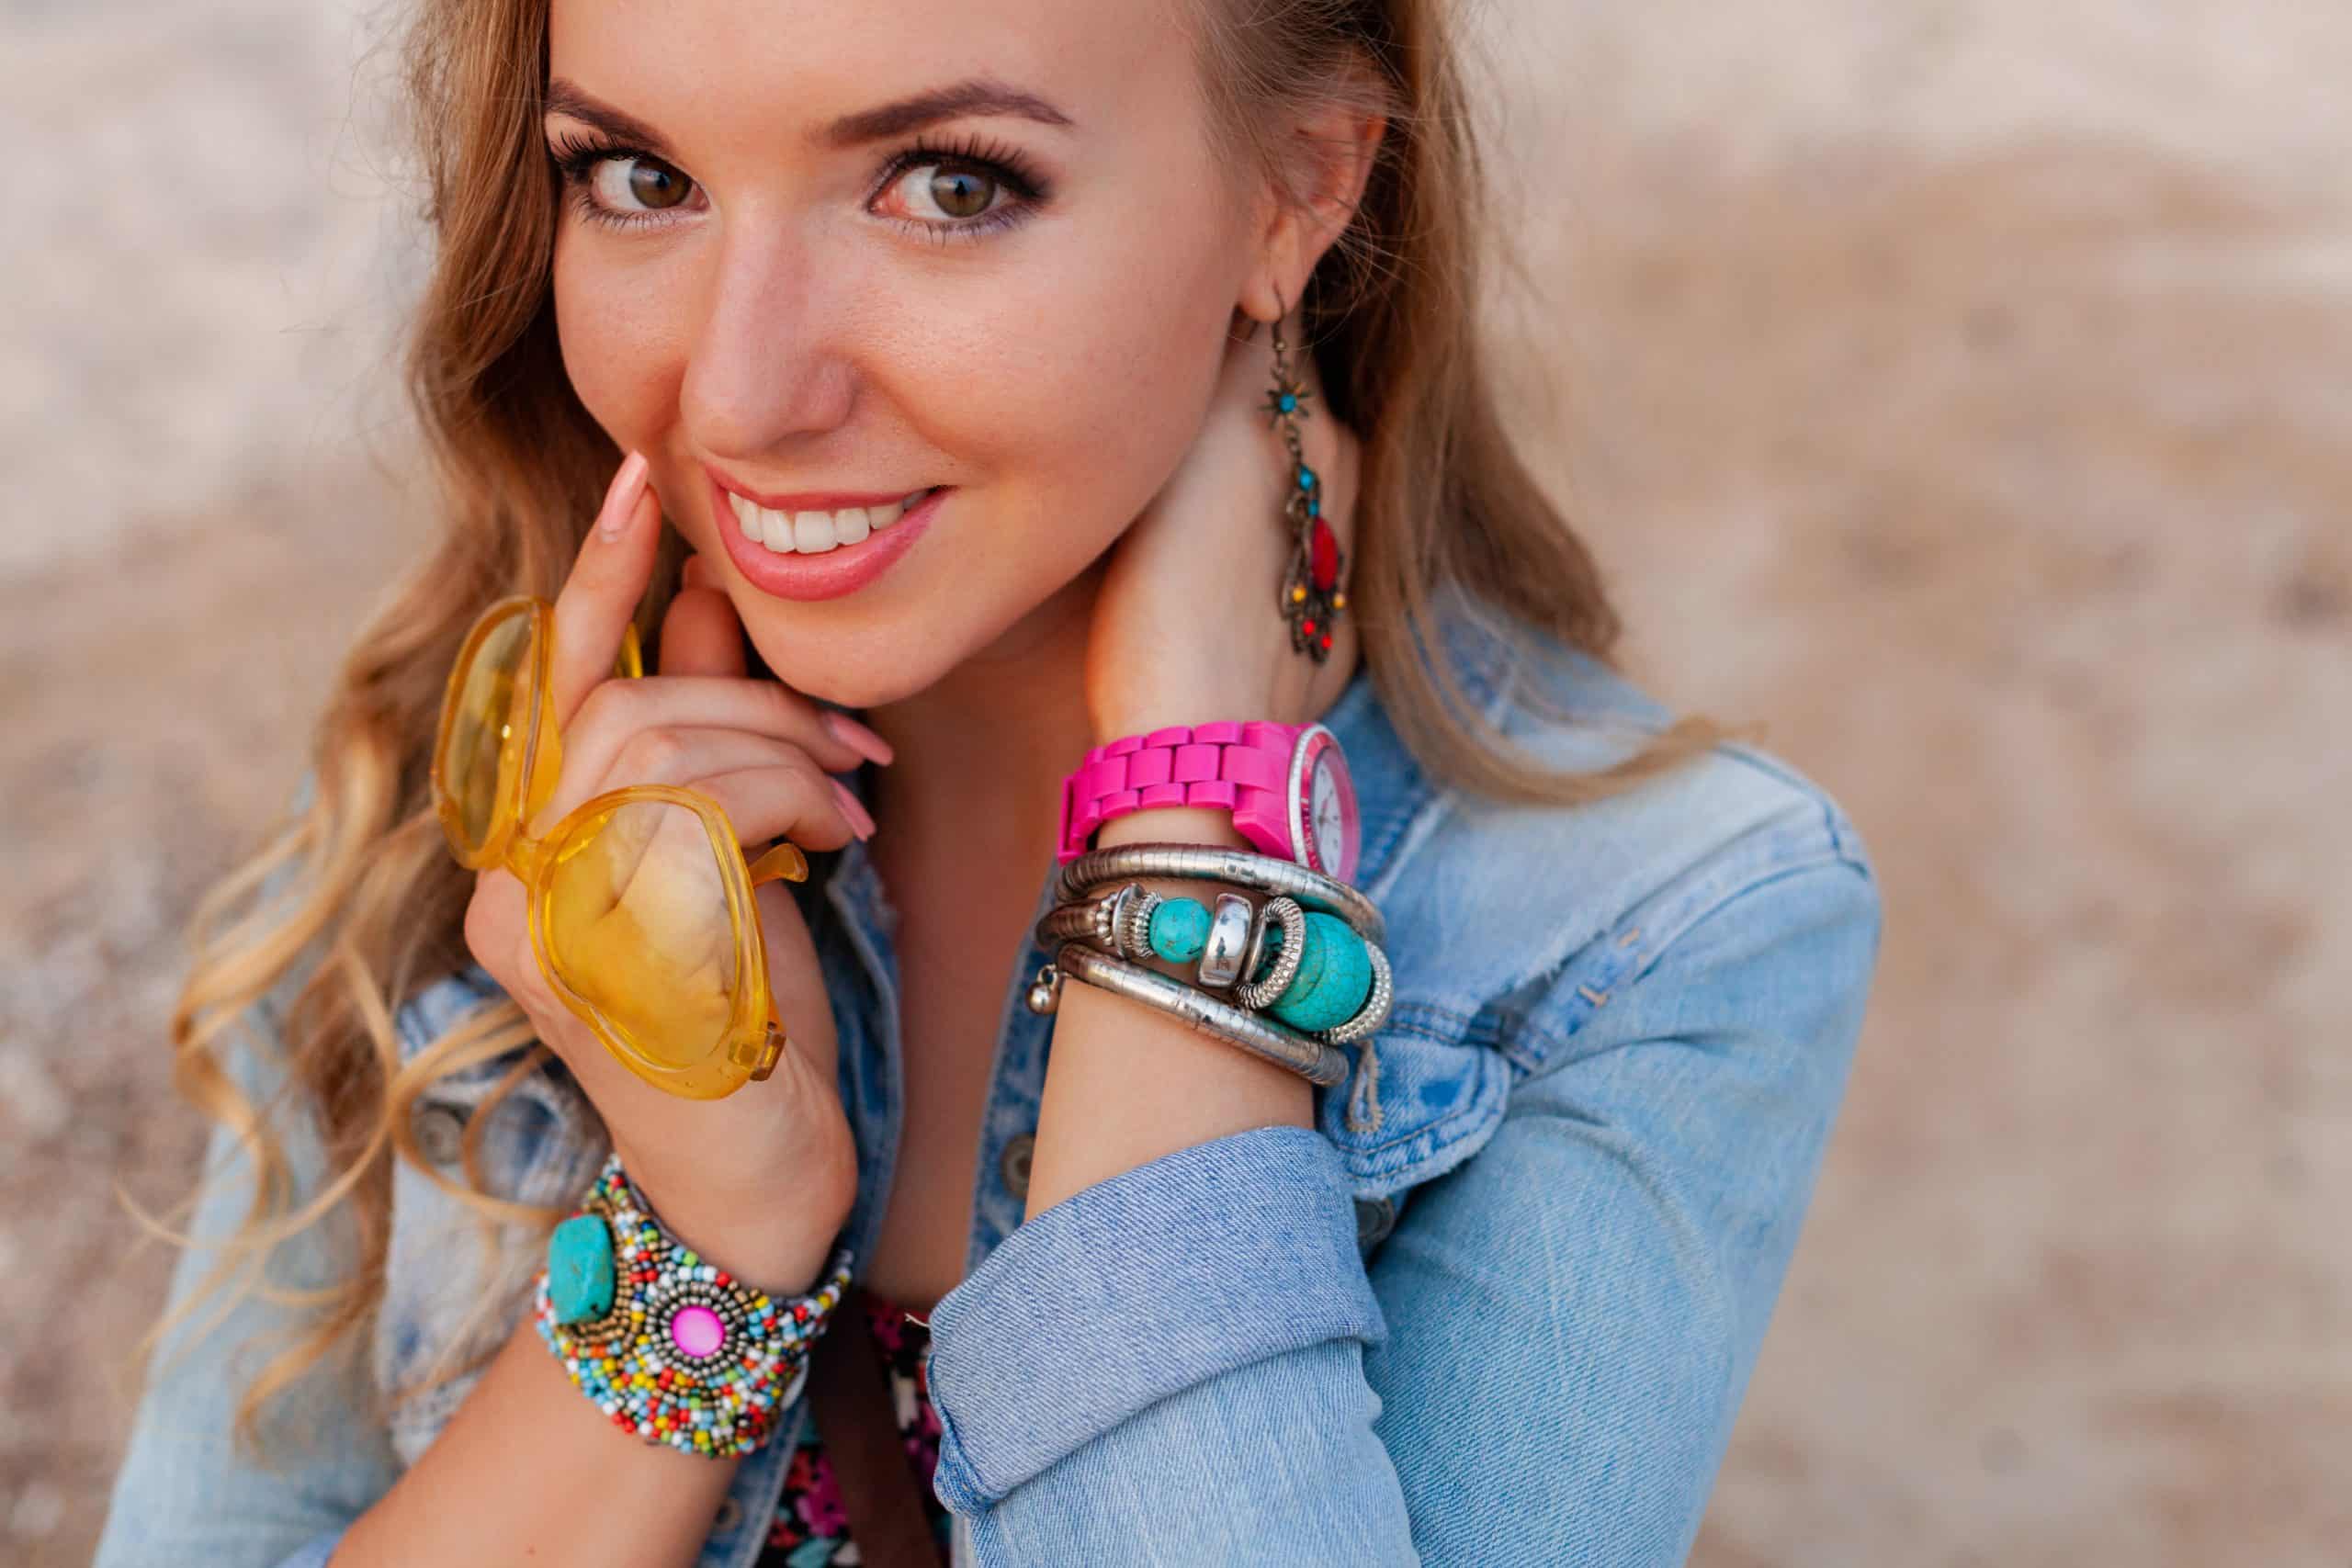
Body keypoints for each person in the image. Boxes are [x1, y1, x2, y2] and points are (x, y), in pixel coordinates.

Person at [94, 0, 1884, 1562]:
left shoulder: (1651, 929)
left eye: (947, 184)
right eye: (639, 178)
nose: (737, 389)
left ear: (1302, 188)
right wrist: (705, 1242)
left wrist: (1190, 831)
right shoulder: (484, 816)